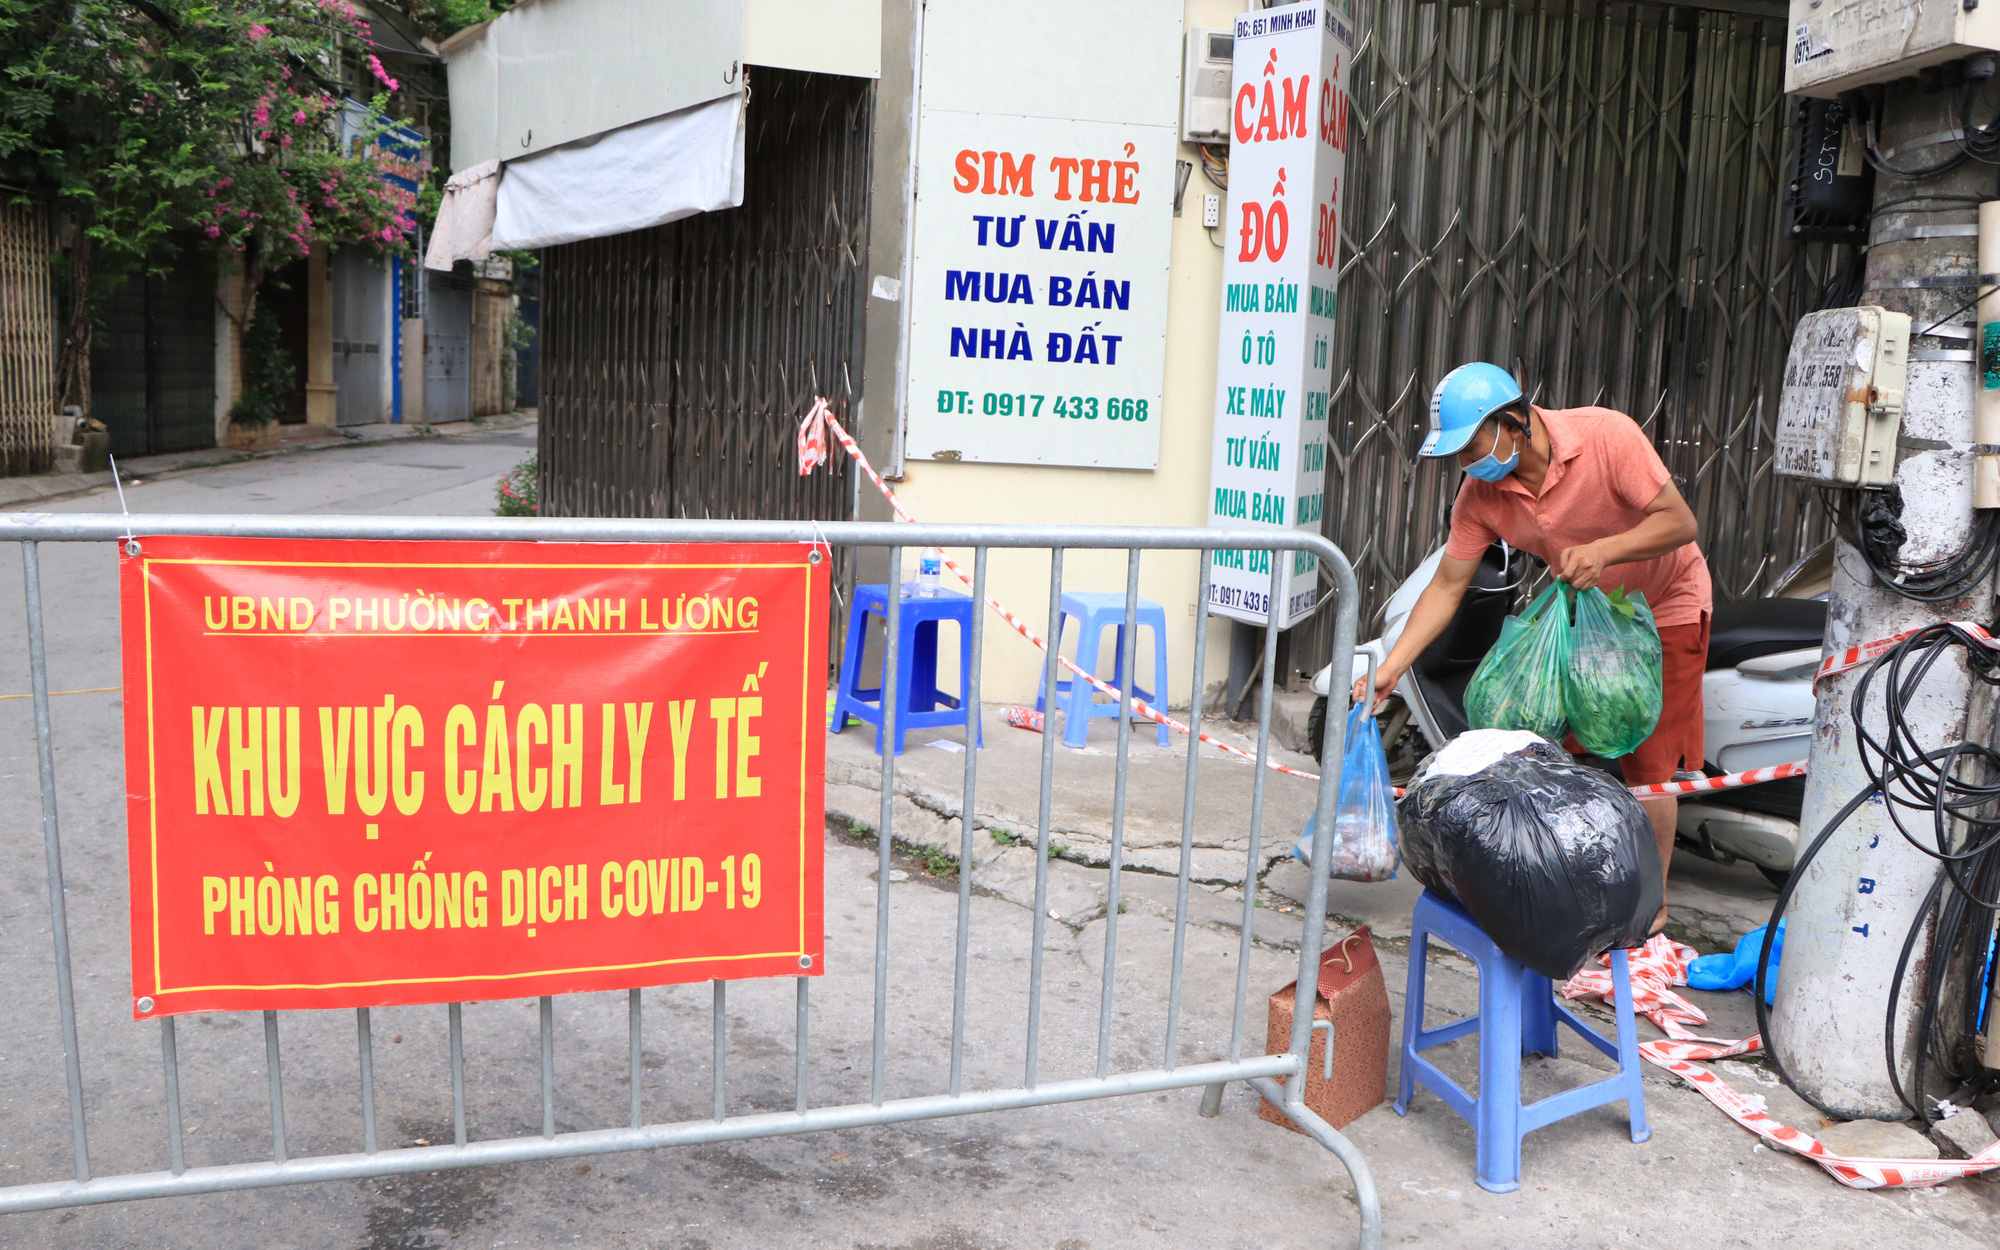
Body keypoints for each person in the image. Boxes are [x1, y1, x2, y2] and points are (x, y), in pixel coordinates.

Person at [1357, 363, 1711, 934]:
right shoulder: (1480, 496)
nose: (1467, 463)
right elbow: (1447, 585)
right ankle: (1569, 886)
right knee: (1539, 746)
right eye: (1459, 455)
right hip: (1579, 618)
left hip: (1661, 607)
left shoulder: (1606, 436)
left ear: (1513, 422)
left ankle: (1652, 912)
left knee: (1648, 766)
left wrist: (1605, 550)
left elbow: (1679, 521)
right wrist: (1391, 667)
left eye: (1471, 446)